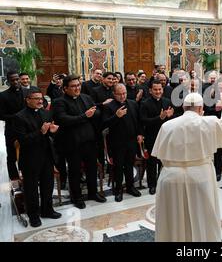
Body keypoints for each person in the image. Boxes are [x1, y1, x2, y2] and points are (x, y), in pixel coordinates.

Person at [152, 92, 222, 242]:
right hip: (200, 177)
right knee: (202, 216)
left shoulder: (167, 125)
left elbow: (160, 155)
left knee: (172, 218)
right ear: (201, 108)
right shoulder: (209, 122)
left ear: (183, 107)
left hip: (170, 178)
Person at [52, 75, 106, 209]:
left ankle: (93, 193)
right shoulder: (59, 102)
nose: (77, 88)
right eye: (73, 86)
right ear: (65, 88)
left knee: (91, 169)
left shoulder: (86, 98)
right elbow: (63, 119)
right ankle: (76, 197)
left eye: (78, 85)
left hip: (89, 141)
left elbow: (97, 111)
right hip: (72, 144)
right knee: (75, 171)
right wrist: (84, 116)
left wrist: (91, 114)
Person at [13, 88, 62, 227]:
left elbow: (48, 135)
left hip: (46, 155)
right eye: (36, 98)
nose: (40, 101)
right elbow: (22, 140)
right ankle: (33, 215)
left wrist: (52, 132)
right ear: (27, 100)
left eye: (41, 98)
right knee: (31, 189)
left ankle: (47, 210)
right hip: (30, 158)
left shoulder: (46, 113)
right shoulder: (19, 117)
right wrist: (41, 132)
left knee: (48, 185)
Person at [102, 84, 143, 202]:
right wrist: (116, 116)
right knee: (118, 167)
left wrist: (140, 134)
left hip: (131, 141)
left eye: (124, 93)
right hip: (117, 143)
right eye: (119, 94)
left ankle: (130, 187)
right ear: (114, 94)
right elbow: (104, 124)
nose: (122, 96)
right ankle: (118, 190)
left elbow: (138, 121)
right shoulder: (109, 107)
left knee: (130, 165)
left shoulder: (133, 104)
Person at [140, 80, 175, 195]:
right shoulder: (145, 103)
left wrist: (170, 116)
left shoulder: (167, 101)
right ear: (150, 90)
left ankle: (163, 182)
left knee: (164, 162)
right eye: (155, 89)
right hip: (152, 137)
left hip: (166, 138)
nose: (158, 91)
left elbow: (172, 120)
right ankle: (152, 185)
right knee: (152, 163)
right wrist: (159, 118)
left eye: (160, 89)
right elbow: (144, 121)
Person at [0, 71, 26, 180]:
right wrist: (17, 117)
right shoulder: (3, 95)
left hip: (27, 129)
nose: (15, 82)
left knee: (27, 155)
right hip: (12, 130)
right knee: (11, 157)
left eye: (17, 79)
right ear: (8, 81)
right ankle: (15, 182)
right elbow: (1, 115)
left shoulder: (27, 93)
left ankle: (28, 178)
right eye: (12, 80)